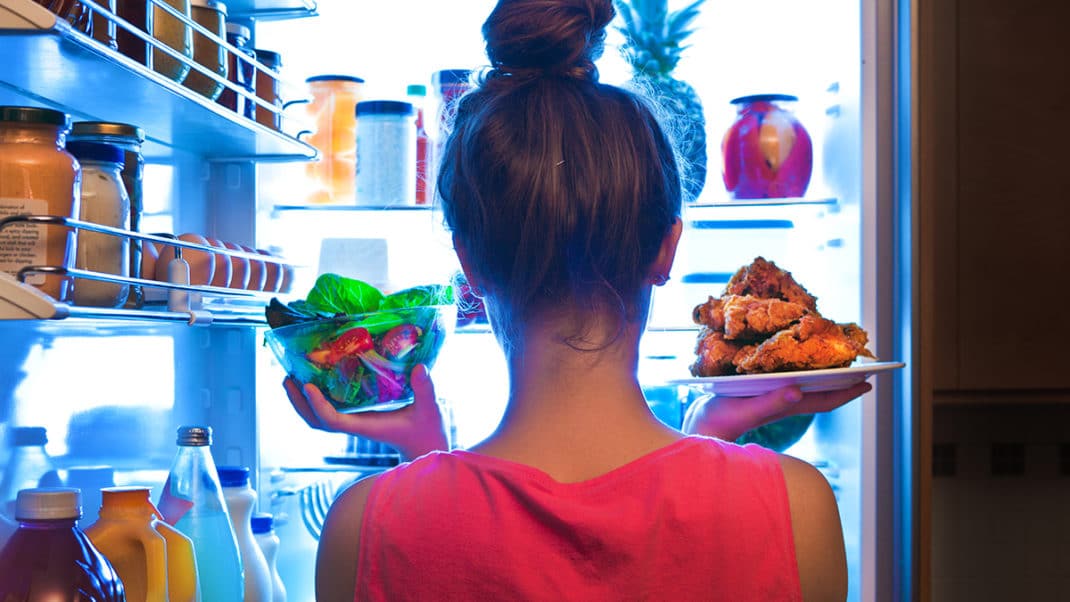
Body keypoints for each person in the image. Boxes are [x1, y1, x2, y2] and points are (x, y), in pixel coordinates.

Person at [285, 1, 871, 599]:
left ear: (470, 265)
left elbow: (463, 540)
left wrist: (426, 463)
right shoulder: (797, 509)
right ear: (667, 248)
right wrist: (708, 449)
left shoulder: (364, 527)